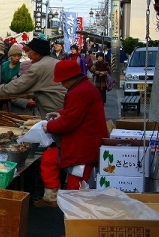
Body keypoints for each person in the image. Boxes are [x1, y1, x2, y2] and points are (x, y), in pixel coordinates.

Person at [35, 60, 107, 207]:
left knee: (75, 189)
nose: (61, 84)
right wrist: (60, 113)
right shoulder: (84, 88)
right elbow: (75, 112)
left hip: (82, 147)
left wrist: (49, 126)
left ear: (69, 78)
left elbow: (69, 123)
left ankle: (74, 224)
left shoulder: (79, 92)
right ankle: (51, 197)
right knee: (49, 158)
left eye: (62, 81)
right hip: (83, 143)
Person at [0, 38, 66, 119]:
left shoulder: (39, 67)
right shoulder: (55, 62)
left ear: (37, 53)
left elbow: (17, 86)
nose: (29, 55)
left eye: (30, 51)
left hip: (54, 107)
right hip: (62, 104)